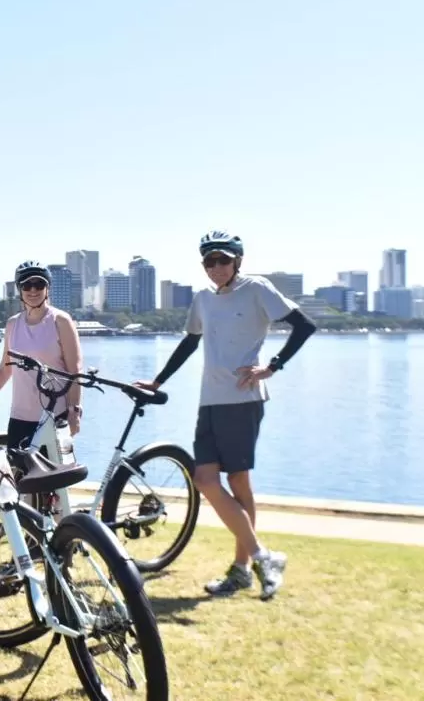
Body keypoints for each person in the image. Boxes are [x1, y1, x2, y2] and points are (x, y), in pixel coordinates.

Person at [136, 230, 316, 600]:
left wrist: (272, 366)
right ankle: (262, 557)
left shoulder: (256, 289)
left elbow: (304, 326)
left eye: (222, 260)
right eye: (209, 261)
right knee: (204, 480)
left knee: (238, 482)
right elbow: (190, 342)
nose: (216, 267)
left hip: (243, 399)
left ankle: (242, 569)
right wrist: (157, 381)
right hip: (210, 401)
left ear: (238, 260)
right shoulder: (203, 299)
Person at [0, 260, 84, 450]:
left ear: (47, 288)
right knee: (18, 476)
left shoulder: (60, 321)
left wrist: (74, 412)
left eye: (39, 284)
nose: (33, 290)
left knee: (53, 478)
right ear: (19, 290)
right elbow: (4, 370)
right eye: (26, 285)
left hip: (54, 416)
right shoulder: (13, 324)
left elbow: (75, 371)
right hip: (20, 417)